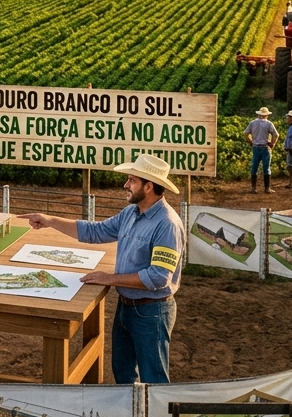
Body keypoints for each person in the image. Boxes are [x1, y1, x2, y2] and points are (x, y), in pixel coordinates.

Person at [19, 154, 185, 384]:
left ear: (148, 187)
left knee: (154, 380)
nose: (125, 185)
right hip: (130, 306)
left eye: (131, 180)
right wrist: (50, 220)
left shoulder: (167, 224)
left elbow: (158, 277)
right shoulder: (131, 213)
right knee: (123, 371)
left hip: (152, 312)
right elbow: (95, 231)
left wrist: (109, 278)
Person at [243, 107, 278, 194]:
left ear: (258, 114)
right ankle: (267, 188)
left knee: (254, 168)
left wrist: (250, 142)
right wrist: (272, 144)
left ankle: (254, 188)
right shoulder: (269, 124)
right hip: (265, 147)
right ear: (266, 115)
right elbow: (276, 135)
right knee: (266, 168)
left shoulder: (253, 123)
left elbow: (246, 134)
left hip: (256, 147)